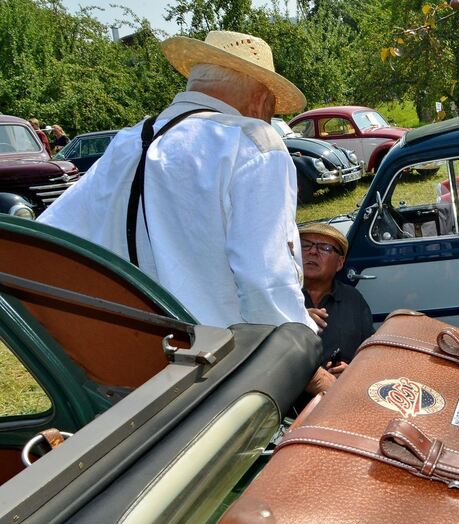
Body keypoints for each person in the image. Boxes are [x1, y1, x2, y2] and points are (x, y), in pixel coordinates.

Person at [39, 30, 313, 334]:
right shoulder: (252, 143)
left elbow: (47, 238)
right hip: (227, 365)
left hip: (142, 361)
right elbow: (266, 281)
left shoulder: (126, 143)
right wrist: (308, 366)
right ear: (261, 102)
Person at [300, 222, 375, 379]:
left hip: (340, 394)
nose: (312, 251)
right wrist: (297, 318)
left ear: (340, 263)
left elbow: (371, 352)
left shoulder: (353, 300)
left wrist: (352, 370)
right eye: (305, 245)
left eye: (324, 248)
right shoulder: (281, 298)